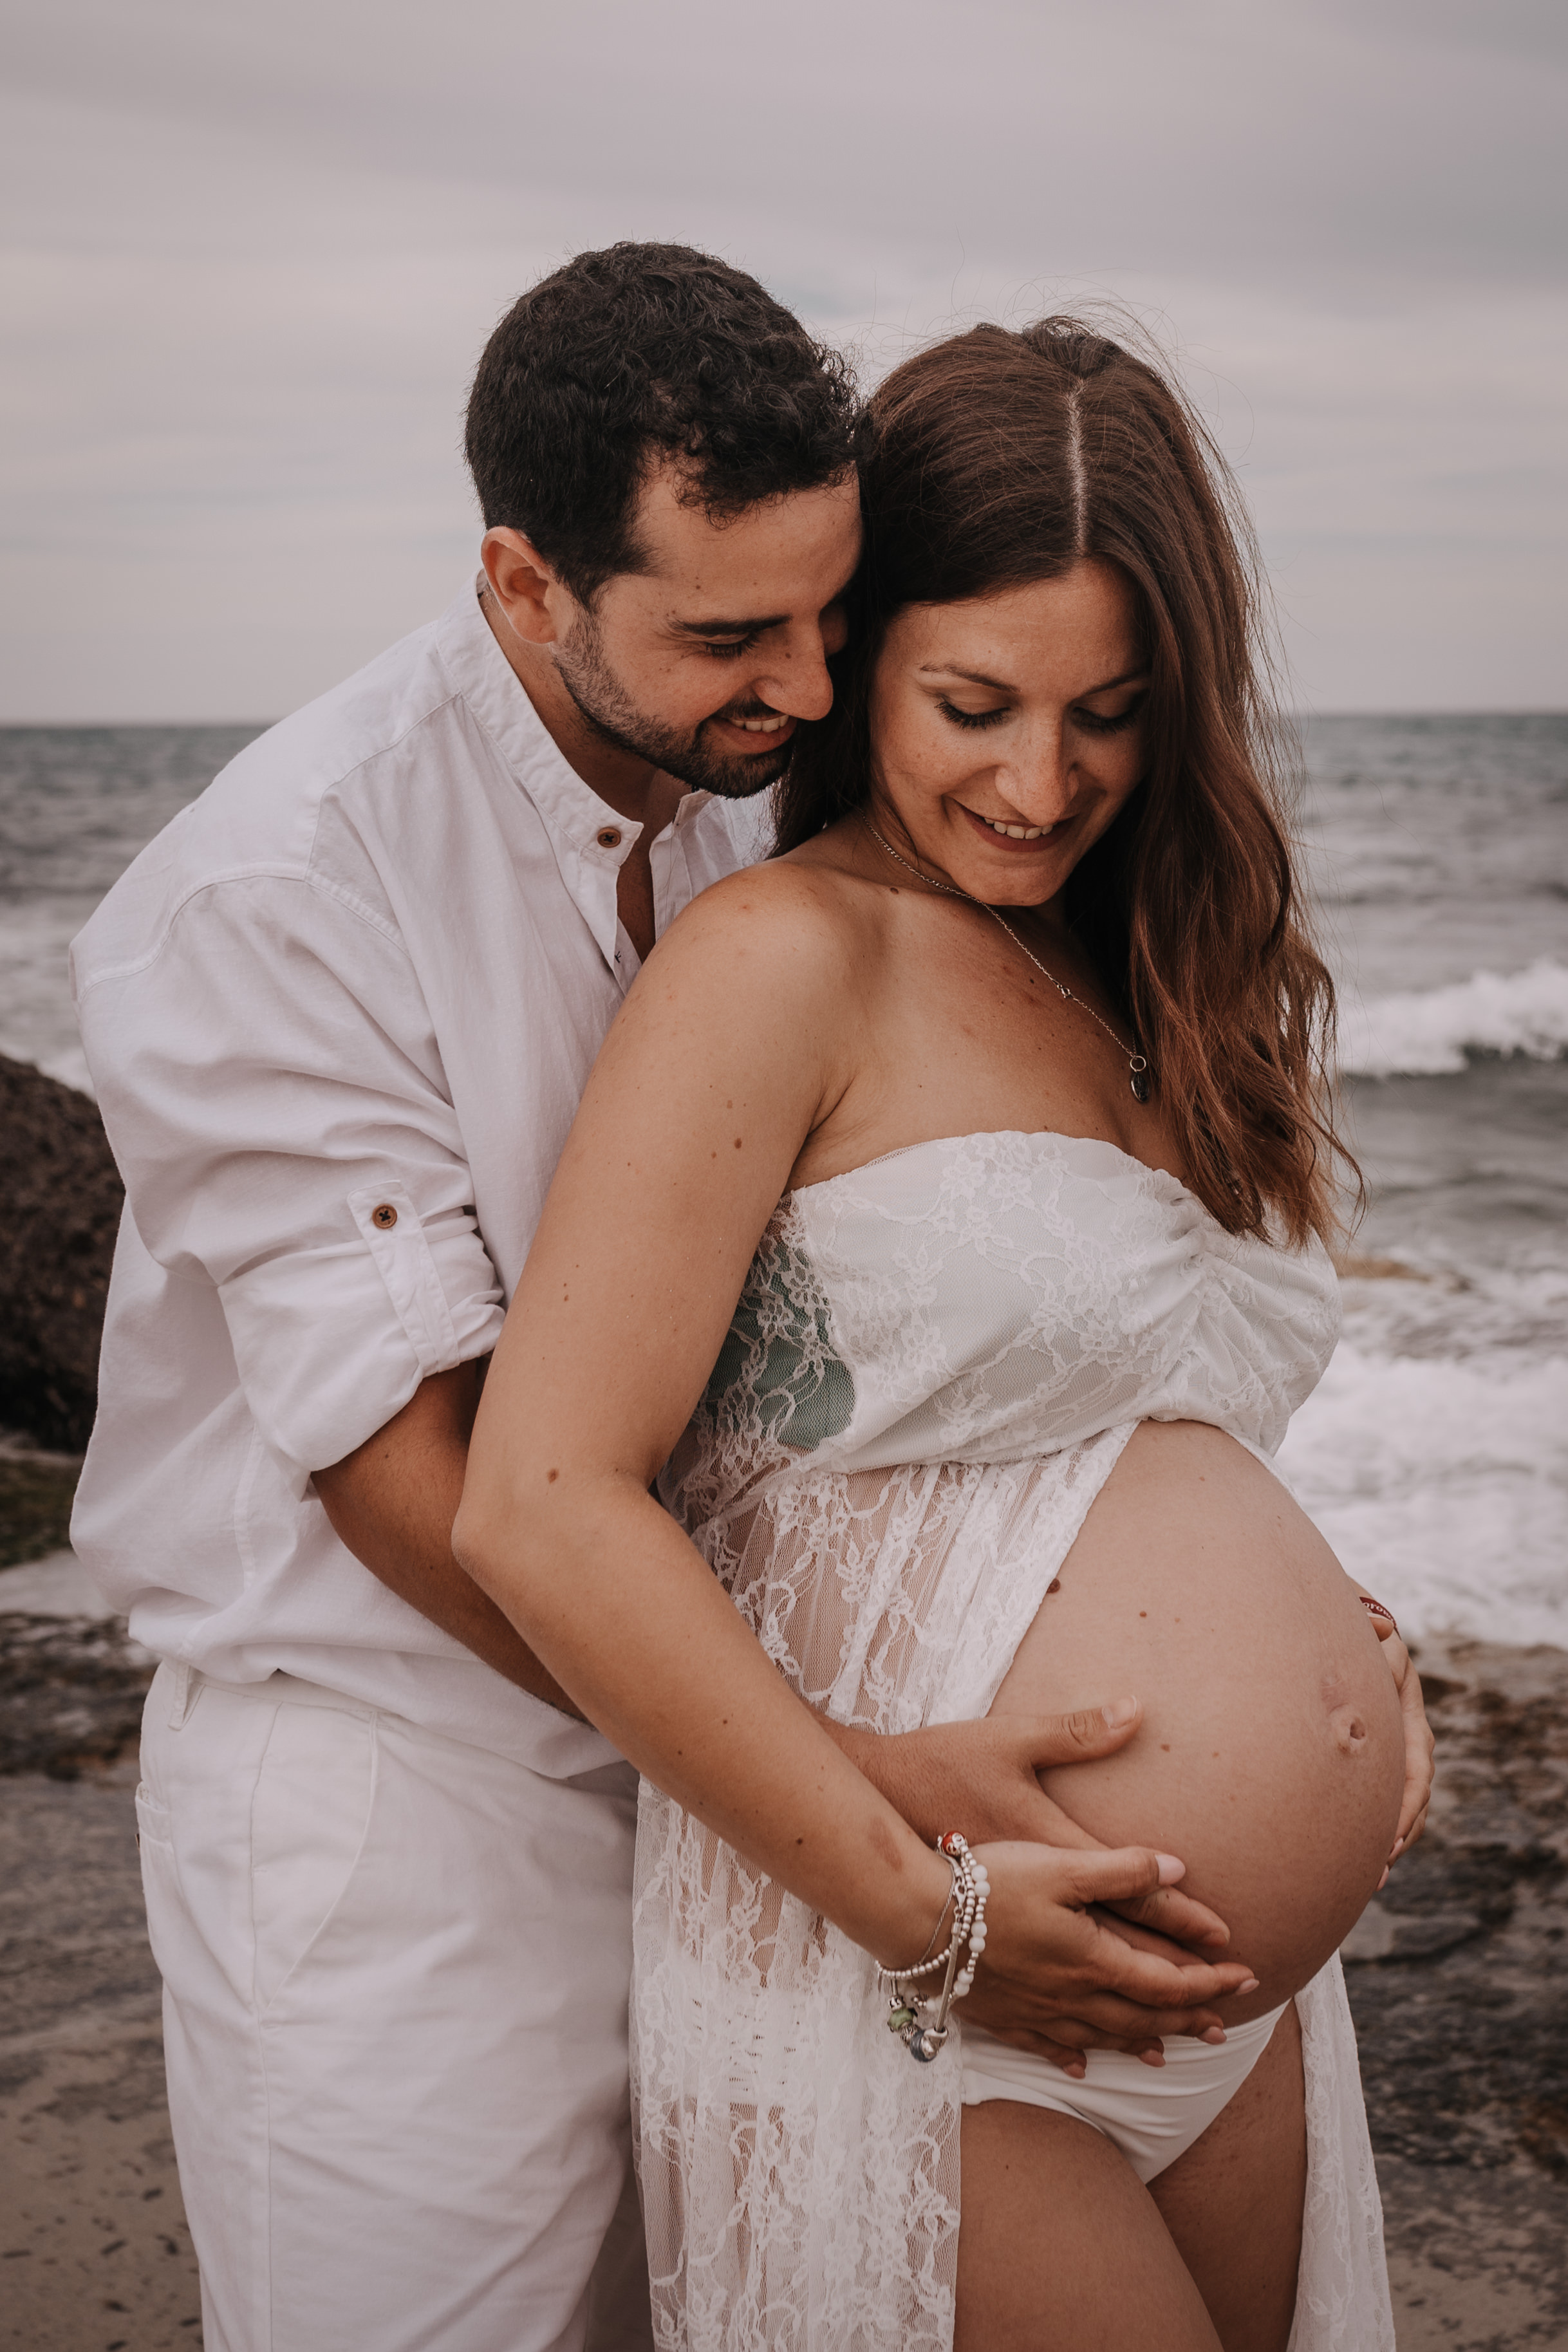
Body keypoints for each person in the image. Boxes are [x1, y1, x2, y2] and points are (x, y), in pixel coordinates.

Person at [70, 253, 1260, 2352]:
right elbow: (416, 1472)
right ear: (526, 586)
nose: (803, 689)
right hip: (405, 1800)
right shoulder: (286, 888)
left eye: (831, 619)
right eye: (730, 635)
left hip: (720, 1786)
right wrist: (861, 1806)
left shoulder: (745, 805)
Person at [454, 318, 1435, 2350]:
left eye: (1111, 713)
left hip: (1219, 2010)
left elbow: (1120, 1424)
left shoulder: (1136, 978)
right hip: (913, 1983)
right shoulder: (776, 961)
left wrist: (1357, 1654)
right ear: (857, 656)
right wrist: (936, 1917)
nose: (1039, 777)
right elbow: (544, 1502)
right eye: (972, 703)